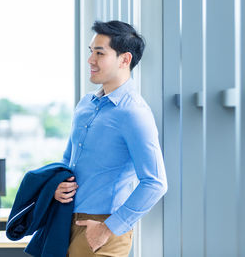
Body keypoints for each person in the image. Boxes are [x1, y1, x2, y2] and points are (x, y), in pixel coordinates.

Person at [54, 20, 168, 257]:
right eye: (90, 52)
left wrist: (107, 229)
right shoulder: (86, 105)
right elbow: (69, 159)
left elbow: (156, 183)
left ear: (125, 59)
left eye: (100, 53)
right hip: (66, 221)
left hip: (103, 228)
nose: (90, 60)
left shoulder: (134, 113)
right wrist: (58, 185)